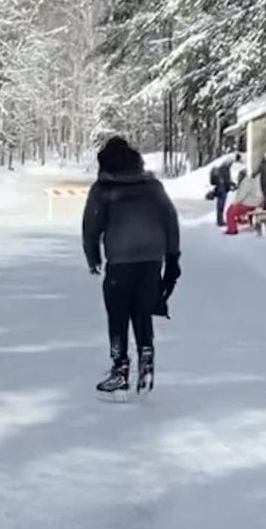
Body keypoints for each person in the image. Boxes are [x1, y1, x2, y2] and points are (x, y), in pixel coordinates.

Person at [81, 136, 180, 400]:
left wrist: (93, 258)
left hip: (121, 258)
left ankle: (120, 369)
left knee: (118, 313)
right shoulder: (152, 186)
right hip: (151, 258)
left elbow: (91, 225)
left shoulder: (103, 188)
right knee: (142, 309)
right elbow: (170, 219)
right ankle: (146, 357)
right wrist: (172, 259)